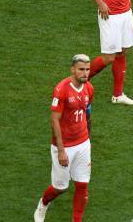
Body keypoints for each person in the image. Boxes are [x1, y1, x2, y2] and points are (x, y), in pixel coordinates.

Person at [34, 54, 94, 222]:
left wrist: (88, 136)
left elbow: (87, 111)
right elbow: (54, 120)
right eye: (81, 69)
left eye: (87, 70)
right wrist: (61, 150)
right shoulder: (61, 89)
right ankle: (43, 204)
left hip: (83, 142)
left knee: (82, 184)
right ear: (73, 69)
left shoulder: (89, 88)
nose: (85, 73)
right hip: (64, 146)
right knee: (60, 187)